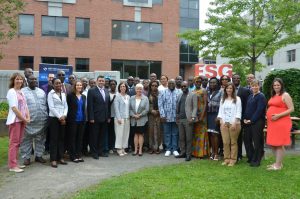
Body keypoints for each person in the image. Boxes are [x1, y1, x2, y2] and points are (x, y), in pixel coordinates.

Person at [266, 78, 294, 170]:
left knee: (279, 144)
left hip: (281, 122)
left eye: (278, 85)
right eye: (274, 85)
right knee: (273, 144)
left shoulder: (285, 95)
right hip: (272, 123)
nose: (276, 87)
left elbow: (291, 109)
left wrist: (278, 115)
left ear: (281, 85)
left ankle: (278, 166)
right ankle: (278, 163)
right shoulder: (274, 95)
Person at [20, 75, 48, 166]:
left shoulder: (41, 92)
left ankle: (39, 156)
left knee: (40, 140)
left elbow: (45, 105)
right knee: (26, 140)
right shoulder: (22, 92)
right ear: (27, 81)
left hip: (41, 121)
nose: (34, 80)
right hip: (28, 122)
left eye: (35, 79)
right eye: (31, 79)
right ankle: (26, 157)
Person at [6, 73, 30, 173]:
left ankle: (15, 162)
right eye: (17, 79)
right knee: (14, 143)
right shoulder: (11, 92)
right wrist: (24, 119)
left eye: (21, 79)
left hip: (22, 121)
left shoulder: (21, 91)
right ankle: (12, 166)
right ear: (13, 80)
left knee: (18, 143)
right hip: (15, 121)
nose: (19, 81)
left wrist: (28, 116)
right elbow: (14, 108)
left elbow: (25, 106)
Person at [217, 82, 242, 166]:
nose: (229, 90)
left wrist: (235, 122)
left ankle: (233, 159)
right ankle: (227, 159)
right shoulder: (222, 99)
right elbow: (220, 111)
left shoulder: (237, 99)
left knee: (233, 142)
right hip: (224, 123)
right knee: (225, 142)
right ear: (225, 89)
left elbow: (239, 111)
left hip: (234, 123)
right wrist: (221, 120)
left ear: (233, 89)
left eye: (231, 88)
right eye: (227, 88)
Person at [243, 79, 266, 167]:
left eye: (256, 85)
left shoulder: (261, 96)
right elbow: (247, 109)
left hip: (257, 122)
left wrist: (251, 120)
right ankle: (251, 157)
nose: (254, 87)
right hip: (248, 121)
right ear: (250, 86)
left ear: (259, 86)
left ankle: (257, 160)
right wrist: (244, 118)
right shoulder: (250, 96)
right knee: (247, 140)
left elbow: (259, 110)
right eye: (253, 85)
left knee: (257, 142)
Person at [87, 75, 111, 159]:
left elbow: (107, 105)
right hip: (95, 118)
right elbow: (90, 106)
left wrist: (108, 117)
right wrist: (91, 118)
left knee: (102, 136)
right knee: (94, 136)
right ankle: (94, 152)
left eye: (102, 81)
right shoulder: (91, 91)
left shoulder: (106, 90)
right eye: (100, 80)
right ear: (97, 81)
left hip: (104, 118)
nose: (101, 82)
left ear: (104, 82)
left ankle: (100, 151)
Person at [48, 78, 68, 168]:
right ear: (53, 85)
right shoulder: (50, 94)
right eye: (56, 83)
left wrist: (64, 115)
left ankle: (60, 157)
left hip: (62, 118)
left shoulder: (63, 94)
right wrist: (60, 117)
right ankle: (53, 159)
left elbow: (66, 106)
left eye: (59, 83)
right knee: (54, 139)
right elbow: (51, 107)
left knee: (61, 138)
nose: (58, 85)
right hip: (54, 119)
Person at [176, 81, 198, 161]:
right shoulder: (179, 95)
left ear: (188, 86)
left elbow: (195, 107)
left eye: (185, 86)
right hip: (180, 119)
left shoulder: (193, 94)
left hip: (188, 119)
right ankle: (183, 153)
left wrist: (192, 118)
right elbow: (177, 106)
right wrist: (177, 117)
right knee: (181, 138)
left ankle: (188, 154)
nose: (183, 88)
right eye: (182, 86)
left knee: (189, 138)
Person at [158, 79, 180, 157]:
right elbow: (160, 105)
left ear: (175, 84)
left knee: (175, 133)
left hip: (176, 117)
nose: (171, 84)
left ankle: (174, 149)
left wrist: (179, 116)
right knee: (167, 133)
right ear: (168, 83)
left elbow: (181, 105)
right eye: (170, 83)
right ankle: (168, 149)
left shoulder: (179, 92)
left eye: (172, 83)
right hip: (166, 117)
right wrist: (162, 115)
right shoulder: (163, 92)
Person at [232, 74, 251, 161]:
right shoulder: (229, 89)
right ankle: (234, 154)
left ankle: (240, 155)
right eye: (234, 78)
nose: (236, 79)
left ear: (240, 80)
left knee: (241, 137)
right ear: (232, 79)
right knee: (234, 137)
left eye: (238, 78)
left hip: (242, 117)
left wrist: (245, 117)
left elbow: (247, 105)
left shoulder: (245, 90)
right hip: (231, 117)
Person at [67, 80, 86, 163]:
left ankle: (78, 155)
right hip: (73, 120)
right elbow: (67, 108)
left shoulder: (84, 96)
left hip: (81, 120)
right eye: (77, 85)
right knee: (72, 139)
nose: (79, 86)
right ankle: (73, 156)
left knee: (80, 139)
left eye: (80, 85)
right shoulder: (70, 96)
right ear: (75, 86)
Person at [129, 84, 149, 156]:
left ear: (142, 90)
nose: (139, 90)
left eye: (140, 89)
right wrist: (134, 115)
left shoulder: (145, 98)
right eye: (137, 89)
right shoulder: (131, 98)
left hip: (142, 119)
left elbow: (147, 110)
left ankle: (140, 150)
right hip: (134, 119)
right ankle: (135, 150)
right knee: (135, 134)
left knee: (140, 134)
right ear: (135, 90)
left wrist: (139, 115)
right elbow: (129, 109)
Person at [192, 76, 209, 158]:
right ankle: (195, 152)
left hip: (202, 113)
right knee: (195, 133)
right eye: (197, 81)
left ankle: (202, 153)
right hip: (195, 114)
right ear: (194, 82)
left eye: (199, 82)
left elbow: (206, 103)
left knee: (202, 133)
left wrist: (202, 115)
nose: (198, 83)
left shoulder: (204, 90)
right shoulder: (192, 91)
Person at [207, 77, 222, 160]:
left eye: (214, 82)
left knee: (215, 134)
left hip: (216, 115)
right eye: (211, 83)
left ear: (217, 83)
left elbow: (222, 105)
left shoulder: (221, 92)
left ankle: (216, 153)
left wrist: (219, 116)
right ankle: (212, 152)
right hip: (208, 115)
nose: (212, 84)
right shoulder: (208, 91)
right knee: (210, 134)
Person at [114, 82, 130, 156]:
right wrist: (119, 118)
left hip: (127, 118)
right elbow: (116, 108)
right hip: (119, 119)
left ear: (126, 88)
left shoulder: (128, 97)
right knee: (119, 134)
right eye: (121, 86)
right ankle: (119, 149)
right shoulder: (117, 96)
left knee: (125, 134)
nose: (123, 87)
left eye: (124, 86)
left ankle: (123, 148)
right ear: (119, 88)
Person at [148, 80, 161, 154]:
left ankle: (157, 147)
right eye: (152, 85)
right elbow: (146, 104)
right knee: (151, 131)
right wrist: (151, 110)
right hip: (151, 115)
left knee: (158, 131)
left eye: (155, 86)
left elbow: (162, 103)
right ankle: (151, 147)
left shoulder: (160, 94)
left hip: (158, 115)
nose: (154, 87)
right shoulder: (148, 94)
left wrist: (159, 111)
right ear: (150, 86)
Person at [108, 79, 118, 153]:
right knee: (110, 132)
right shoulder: (107, 93)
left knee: (116, 132)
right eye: (111, 84)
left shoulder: (118, 93)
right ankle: (110, 146)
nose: (112, 85)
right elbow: (107, 105)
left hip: (117, 116)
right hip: (110, 116)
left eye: (114, 84)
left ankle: (115, 146)